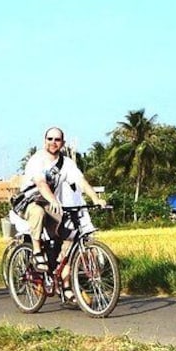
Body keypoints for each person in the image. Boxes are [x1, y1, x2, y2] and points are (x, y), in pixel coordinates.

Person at [18, 127, 106, 300]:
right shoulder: (37, 160)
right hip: (29, 202)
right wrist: (53, 200)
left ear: (62, 143)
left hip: (52, 204)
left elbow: (81, 181)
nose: (53, 142)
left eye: (57, 140)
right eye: (50, 139)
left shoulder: (66, 163)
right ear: (44, 141)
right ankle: (36, 251)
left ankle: (65, 285)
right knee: (37, 212)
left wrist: (95, 199)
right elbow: (41, 183)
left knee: (68, 237)